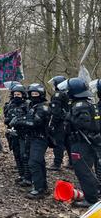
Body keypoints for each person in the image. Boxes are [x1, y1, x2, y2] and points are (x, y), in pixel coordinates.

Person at [62, 77, 101, 208]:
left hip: (82, 143)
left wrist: (68, 118)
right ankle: (92, 194)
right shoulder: (88, 103)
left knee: (83, 171)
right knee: (86, 170)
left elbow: (83, 123)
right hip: (85, 142)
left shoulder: (80, 105)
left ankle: (91, 199)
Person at [11, 83, 51, 199]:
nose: (34, 96)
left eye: (36, 93)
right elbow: (28, 119)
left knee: (34, 162)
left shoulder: (43, 107)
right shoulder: (32, 106)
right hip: (32, 137)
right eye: (32, 94)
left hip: (40, 138)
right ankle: (42, 187)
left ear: (41, 94)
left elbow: (34, 122)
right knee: (39, 162)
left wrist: (20, 120)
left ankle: (39, 189)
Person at [3, 84, 29, 185]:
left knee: (24, 155)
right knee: (17, 154)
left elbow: (30, 118)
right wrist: (8, 121)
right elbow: (6, 117)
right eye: (15, 94)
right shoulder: (9, 104)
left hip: (23, 134)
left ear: (23, 94)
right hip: (12, 134)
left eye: (18, 94)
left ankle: (27, 177)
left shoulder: (27, 104)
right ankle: (21, 174)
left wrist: (20, 121)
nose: (16, 96)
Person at [47, 76, 71, 171]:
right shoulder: (68, 93)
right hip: (68, 122)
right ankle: (72, 162)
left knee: (58, 143)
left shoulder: (57, 95)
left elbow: (55, 112)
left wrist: (52, 125)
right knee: (68, 142)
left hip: (60, 123)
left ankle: (57, 163)